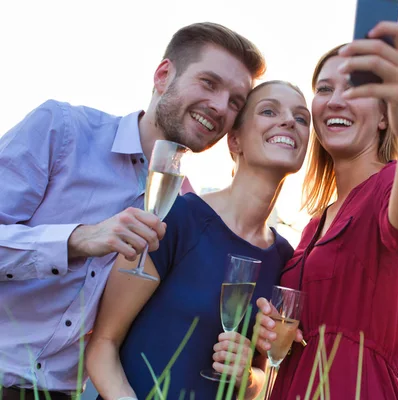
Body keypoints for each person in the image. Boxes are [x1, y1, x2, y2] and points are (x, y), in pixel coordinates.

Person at [0, 22, 265, 400]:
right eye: (209, 83)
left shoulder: (187, 214)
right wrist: (79, 238)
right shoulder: (62, 129)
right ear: (162, 75)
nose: (221, 106)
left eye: (236, 101)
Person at [85, 80, 311, 400]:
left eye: (301, 118)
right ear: (234, 141)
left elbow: (259, 376)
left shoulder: (285, 257)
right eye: (269, 111)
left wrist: (247, 377)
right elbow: (102, 345)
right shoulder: (177, 217)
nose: (289, 121)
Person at [255, 22, 398, 399]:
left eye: (356, 88)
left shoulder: (391, 186)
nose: (335, 100)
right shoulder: (313, 226)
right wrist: (276, 337)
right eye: (324, 89)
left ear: (386, 116)